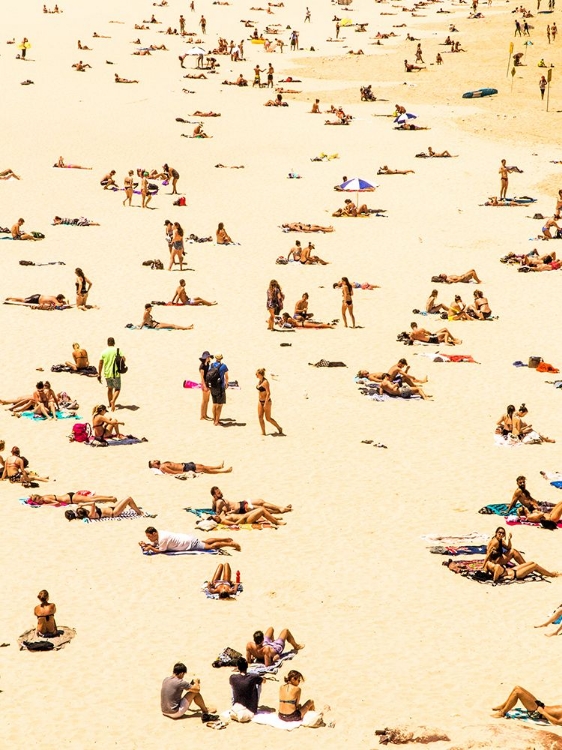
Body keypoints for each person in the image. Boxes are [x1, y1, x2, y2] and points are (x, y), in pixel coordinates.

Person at [140, 526, 241, 553]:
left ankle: (231, 544)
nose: (149, 538)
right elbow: (155, 543)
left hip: (189, 543)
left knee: (209, 546)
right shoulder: (160, 533)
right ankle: (226, 538)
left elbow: (161, 550)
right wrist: (147, 544)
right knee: (204, 541)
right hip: (187, 538)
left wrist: (150, 548)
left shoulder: (162, 539)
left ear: (154, 533)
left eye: (149, 536)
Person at [210, 486, 292, 515]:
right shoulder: (219, 502)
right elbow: (218, 514)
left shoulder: (216, 500)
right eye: (219, 493)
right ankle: (279, 510)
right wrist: (230, 512)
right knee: (260, 507)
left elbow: (213, 507)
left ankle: (280, 507)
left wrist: (214, 500)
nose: (221, 493)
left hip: (241, 503)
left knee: (261, 501)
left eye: (220, 491)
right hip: (241, 508)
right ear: (214, 495)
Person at [65, 496, 148, 521]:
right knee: (129, 499)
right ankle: (139, 513)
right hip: (114, 512)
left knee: (125, 499)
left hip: (112, 508)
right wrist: (83, 504)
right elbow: (93, 503)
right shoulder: (91, 514)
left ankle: (136, 510)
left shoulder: (88, 514)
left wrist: (80, 507)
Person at [98, 337, 125, 411]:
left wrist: (99, 374)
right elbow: (124, 359)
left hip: (107, 373)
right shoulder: (117, 350)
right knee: (117, 388)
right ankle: (113, 401)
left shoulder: (104, 352)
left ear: (107, 343)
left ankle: (110, 404)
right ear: (114, 343)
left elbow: (101, 363)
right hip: (116, 372)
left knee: (110, 389)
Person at [256, 368, 283, 436]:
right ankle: (263, 432)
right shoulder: (260, 381)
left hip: (266, 402)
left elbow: (268, 393)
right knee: (260, 417)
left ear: (260, 374)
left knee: (268, 418)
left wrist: (265, 403)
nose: (256, 375)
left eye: (257, 374)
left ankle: (279, 427)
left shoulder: (265, 382)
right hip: (260, 401)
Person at [207, 354, 229, 425]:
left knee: (214, 404)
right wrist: (226, 383)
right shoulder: (224, 366)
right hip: (220, 387)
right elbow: (226, 377)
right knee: (219, 405)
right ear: (221, 358)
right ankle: (217, 421)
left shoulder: (211, 365)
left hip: (212, 386)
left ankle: (214, 420)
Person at [148, 459, 232, 474]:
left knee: (202, 466)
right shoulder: (162, 467)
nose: (156, 460)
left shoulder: (163, 463)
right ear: (154, 466)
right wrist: (183, 472)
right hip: (185, 468)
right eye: (154, 462)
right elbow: (172, 472)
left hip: (185, 464)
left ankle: (218, 467)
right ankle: (224, 471)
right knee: (204, 469)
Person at [26, 491, 117, 505]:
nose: (38, 503)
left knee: (91, 499)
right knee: (91, 497)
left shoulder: (45, 499)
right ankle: (108, 497)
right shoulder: (43, 496)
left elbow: (57, 503)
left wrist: (46, 505)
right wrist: (31, 497)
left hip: (70, 499)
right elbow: (31, 496)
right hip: (69, 495)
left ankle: (111, 499)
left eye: (36, 501)